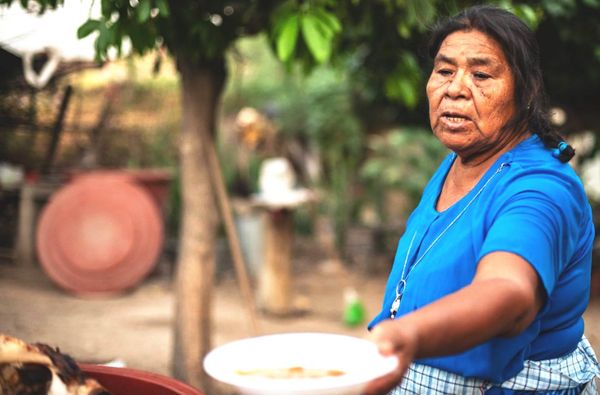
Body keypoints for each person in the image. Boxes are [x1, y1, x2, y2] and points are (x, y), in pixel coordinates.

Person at [365, 5, 600, 395]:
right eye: (444, 71)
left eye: (481, 74)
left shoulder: (540, 189)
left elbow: (509, 292)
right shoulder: (459, 161)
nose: (455, 88)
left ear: (526, 91)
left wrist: (408, 332)